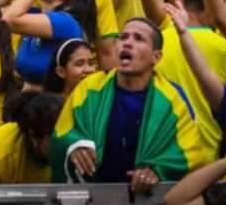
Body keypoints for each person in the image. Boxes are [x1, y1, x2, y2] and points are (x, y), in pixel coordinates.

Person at [50, 18, 200, 191]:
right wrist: (74, 146)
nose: (128, 43)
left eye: (138, 38)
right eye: (123, 37)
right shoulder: (89, 88)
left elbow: (190, 152)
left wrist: (157, 170)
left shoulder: (173, 98)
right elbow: (62, 133)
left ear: (156, 57)